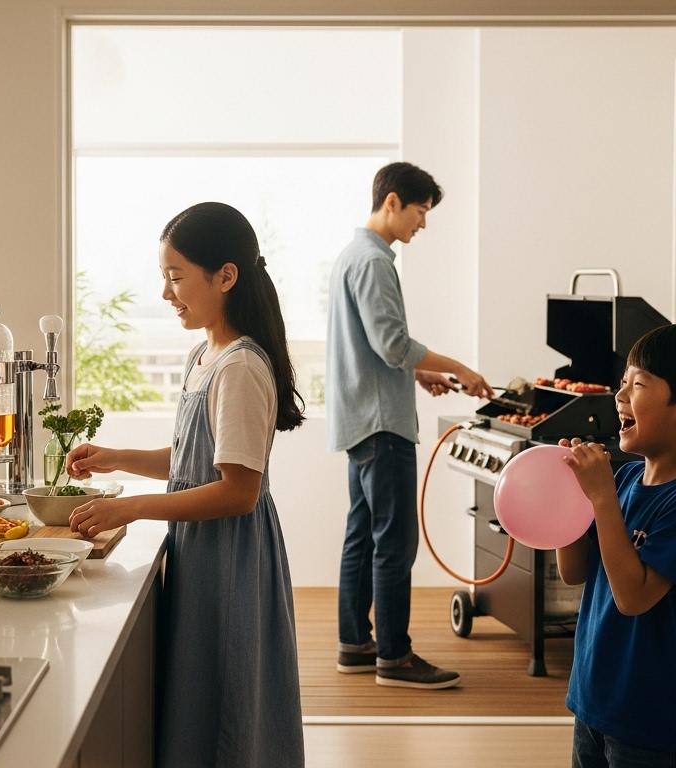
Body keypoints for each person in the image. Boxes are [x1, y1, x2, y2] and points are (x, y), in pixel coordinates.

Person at [63, 202, 305, 767]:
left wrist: (132, 510)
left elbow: (237, 491)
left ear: (225, 276)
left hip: (230, 557)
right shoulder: (206, 353)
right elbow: (197, 456)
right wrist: (116, 458)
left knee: (226, 707)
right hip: (203, 550)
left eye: (176, 277)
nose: (167, 294)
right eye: (164, 278)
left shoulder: (240, 365)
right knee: (203, 699)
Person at [327, 161, 495, 689]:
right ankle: (394, 658)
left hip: (359, 419)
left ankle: (355, 645)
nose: (422, 224)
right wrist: (457, 367)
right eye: (421, 212)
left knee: (363, 538)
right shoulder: (375, 262)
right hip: (383, 426)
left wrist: (419, 374)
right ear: (394, 201)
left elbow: (376, 348)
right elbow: (392, 344)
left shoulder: (351, 256)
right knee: (395, 544)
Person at [556, 324, 676, 767]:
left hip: (654, 717)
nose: (620, 394)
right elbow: (574, 571)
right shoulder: (623, 480)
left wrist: (601, 498)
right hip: (594, 698)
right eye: (623, 382)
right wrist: (569, 500)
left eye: (638, 384)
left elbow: (634, 596)